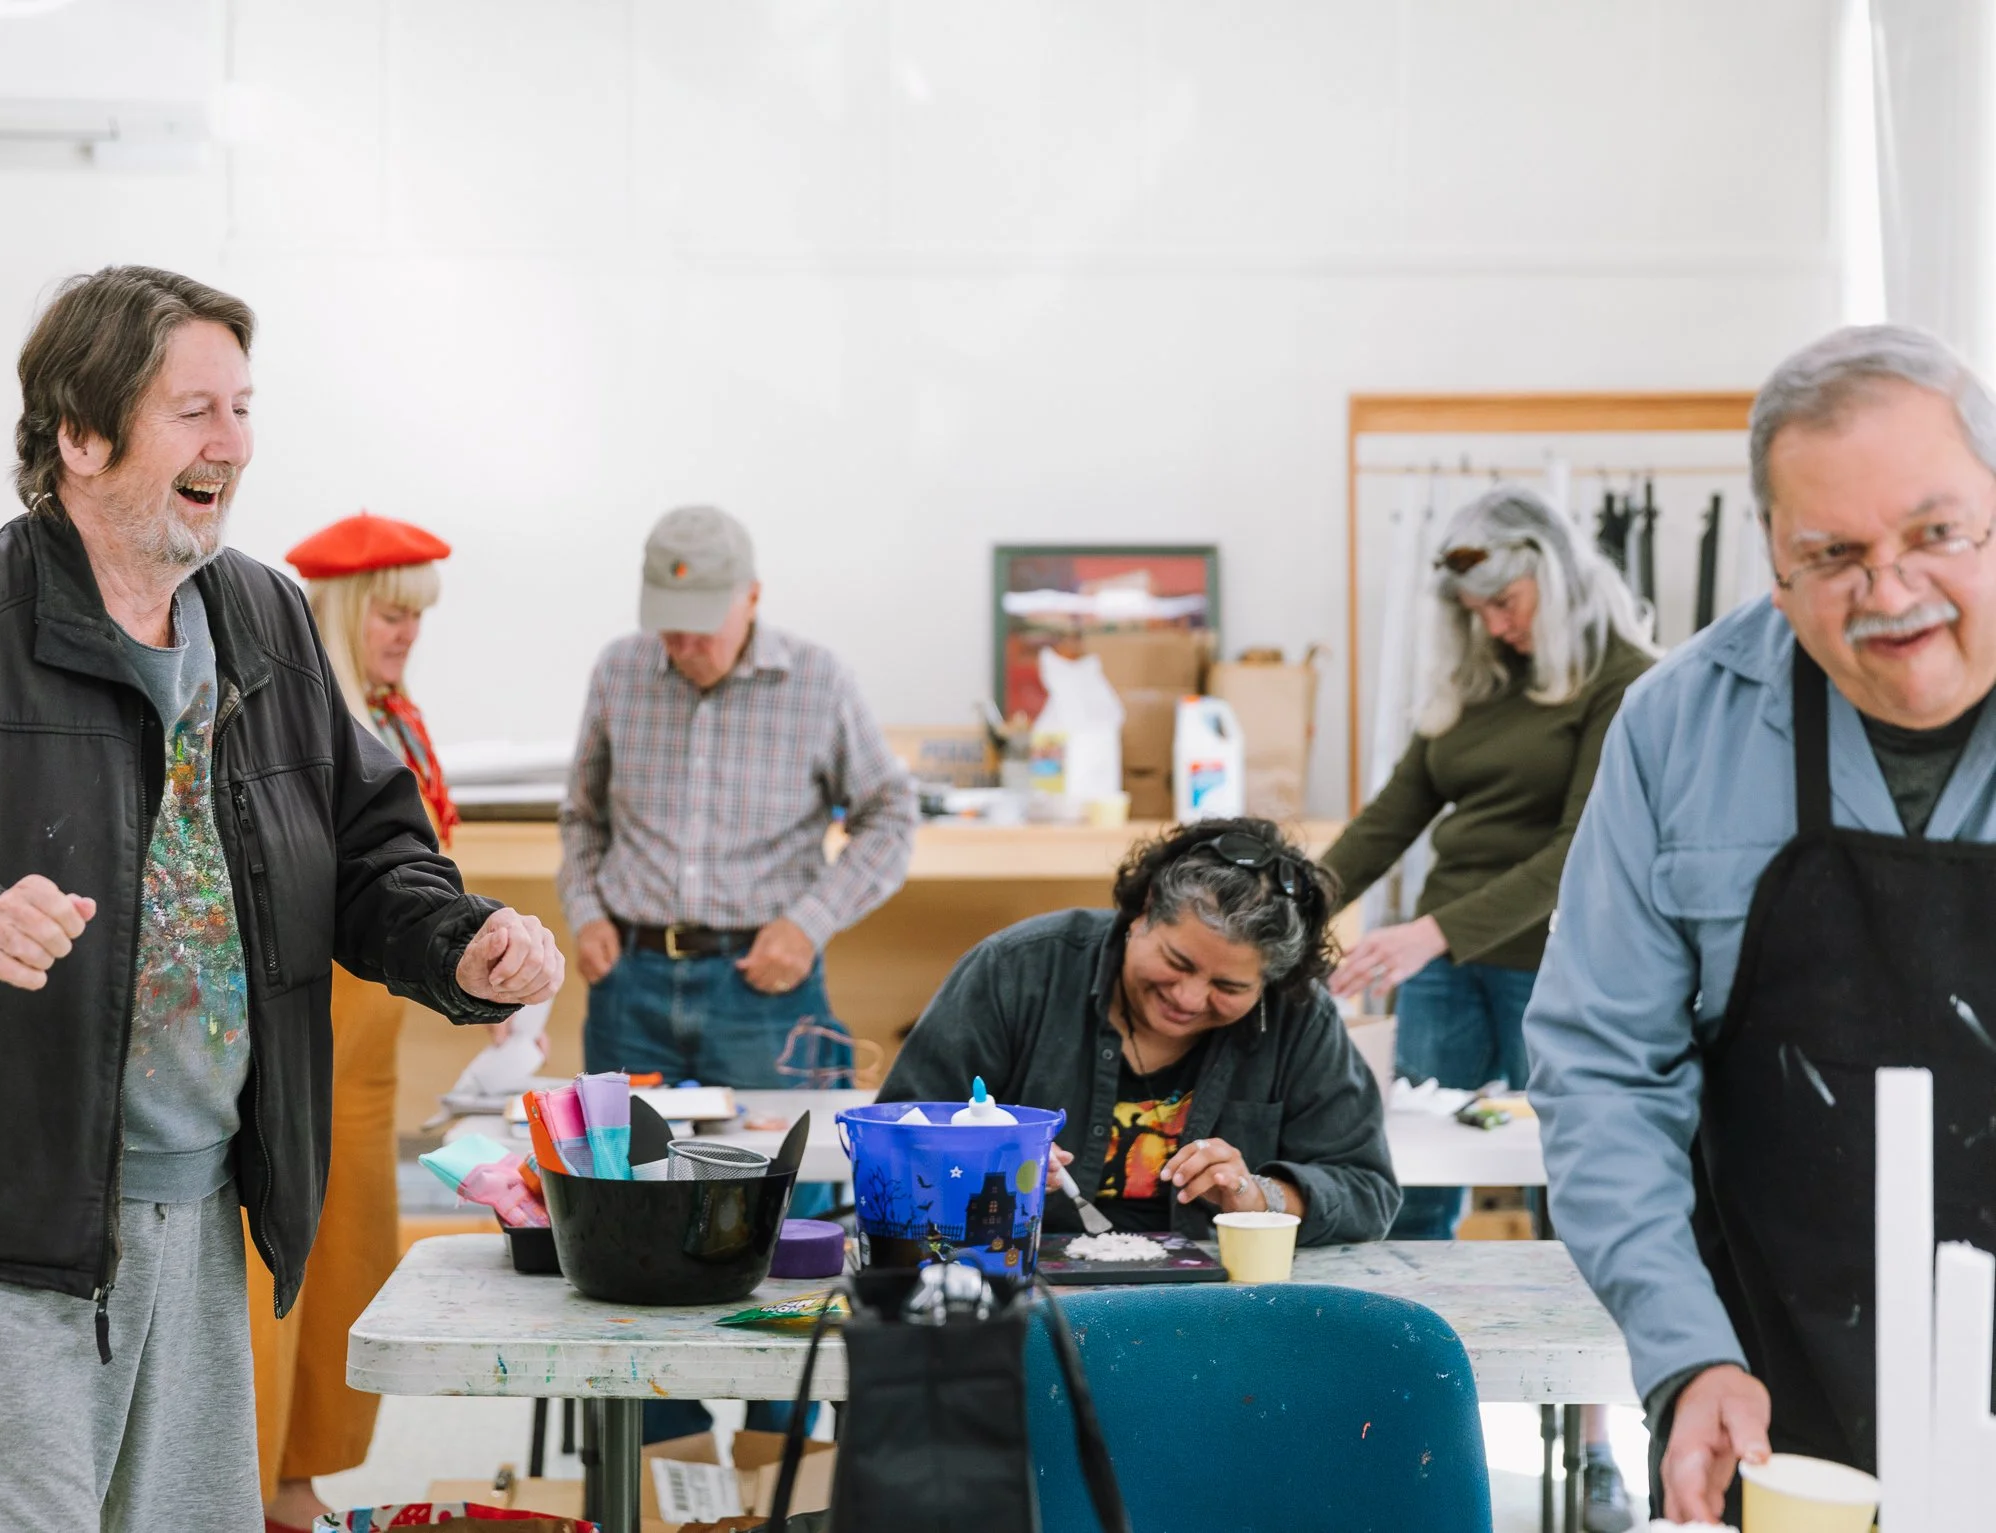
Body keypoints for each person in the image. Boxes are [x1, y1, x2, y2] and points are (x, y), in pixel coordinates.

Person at [0, 266, 563, 1532]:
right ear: (80, 433)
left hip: (197, 1210)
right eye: (193, 410)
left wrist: (461, 940)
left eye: (242, 408)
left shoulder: (267, 621)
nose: (231, 444)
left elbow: (367, 854)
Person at [1527, 324, 1996, 1525]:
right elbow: (1601, 1070)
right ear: (1773, 563)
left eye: (1933, 534)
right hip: (1777, 1404)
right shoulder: (1676, 731)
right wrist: (1686, 1355)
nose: (1888, 593)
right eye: (1830, 553)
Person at [1320, 486, 1654, 1529]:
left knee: (1576, 1200)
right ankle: (1399, 1428)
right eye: (1475, 610)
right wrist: (1286, 909)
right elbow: (1390, 819)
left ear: (1553, 579)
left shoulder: (1623, 682)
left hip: (1556, 963)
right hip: (1445, 964)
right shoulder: (1474, 683)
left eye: (1506, 601)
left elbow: (1583, 849)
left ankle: (1594, 1444)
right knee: (1415, 1189)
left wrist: (1431, 931)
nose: (1495, 625)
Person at [557, 503, 916, 1441]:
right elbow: (582, 818)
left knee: (783, 1215)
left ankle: (776, 1446)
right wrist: (586, 910)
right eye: (668, 626)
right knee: (628, 1207)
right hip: (631, 983)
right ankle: (662, 1443)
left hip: (765, 989)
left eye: (704, 624)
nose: (684, 645)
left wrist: (811, 921)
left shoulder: (817, 680)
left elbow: (891, 815)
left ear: (753, 597)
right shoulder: (619, 669)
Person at [247, 510, 462, 1532]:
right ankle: (239, 1481)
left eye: (417, 618)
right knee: (272, 1257)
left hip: (372, 1053)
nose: (405, 634)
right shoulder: (298, 714)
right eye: (389, 613)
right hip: (304, 1028)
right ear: (336, 610)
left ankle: (302, 1476)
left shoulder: (398, 716)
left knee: (352, 1251)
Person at [882, 819, 1398, 1245]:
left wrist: (1259, 1196)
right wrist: (987, 1160)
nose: (1190, 999)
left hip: (1219, 1306)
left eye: (1229, 986)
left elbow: (1366, 1190)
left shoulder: (1298, 1016)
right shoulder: (1018, 972)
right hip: (1017, 1283)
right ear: (1144, 910)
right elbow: (895, 1137)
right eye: (1177, 962)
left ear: (1270, 981)